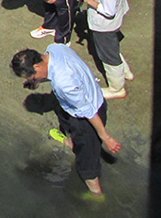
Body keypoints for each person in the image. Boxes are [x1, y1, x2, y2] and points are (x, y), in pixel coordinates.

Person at [10, 46, 121, 199]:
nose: (32, 81)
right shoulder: (55, 49)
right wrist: (38, 80)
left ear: (37, 67)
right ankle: (70, 141)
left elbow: (88, 111)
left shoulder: (65, 84)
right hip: (85, 95)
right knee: (62, 113)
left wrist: (105, 137)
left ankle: (96, 193)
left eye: (31, 77)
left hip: (87, 116)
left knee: (86, 160)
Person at [71, 0, 133, 99]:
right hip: (114, 19)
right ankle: (125, 72)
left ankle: (117, 88)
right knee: (112, 47)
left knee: (107, 55)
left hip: (105, 25)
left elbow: (108, 11)